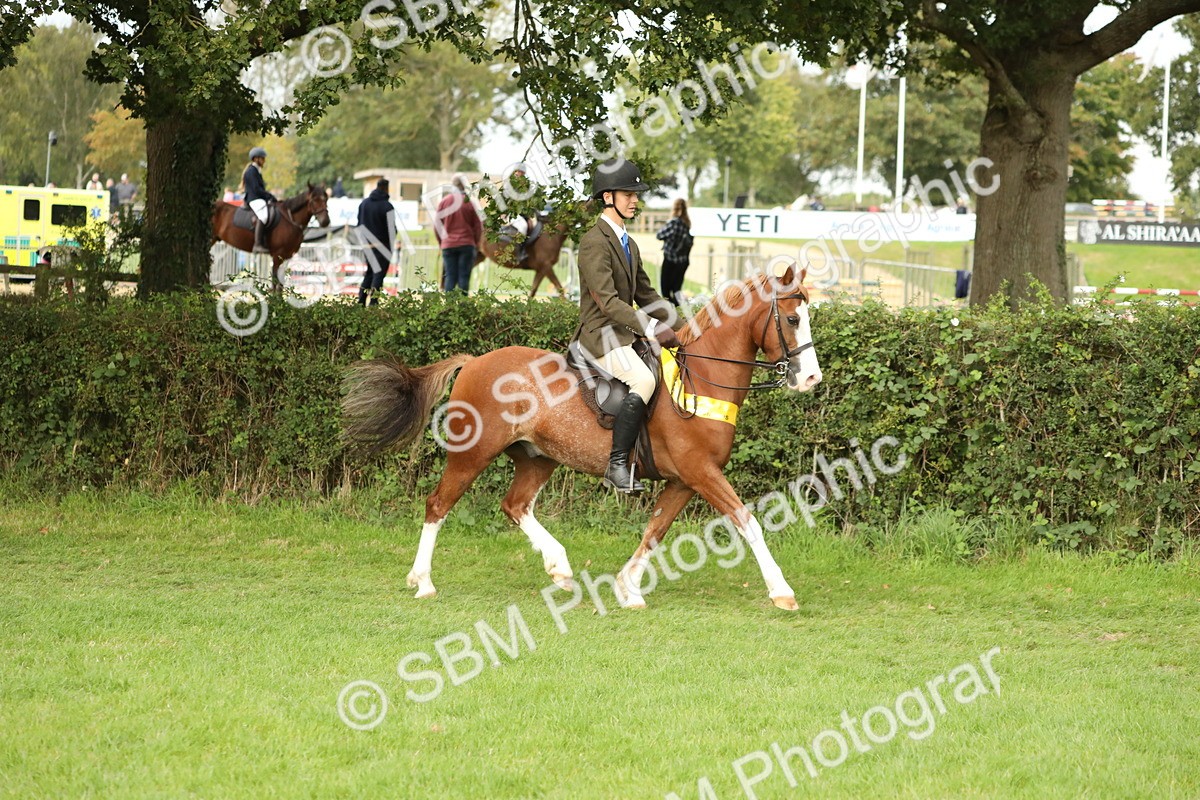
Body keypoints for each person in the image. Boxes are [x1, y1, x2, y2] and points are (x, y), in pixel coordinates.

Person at [575, 159, 684, 494]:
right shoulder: (594, 242)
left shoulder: (629, 243)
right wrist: (652, 328)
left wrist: (686, 327)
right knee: (644, 378)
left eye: (637, 194)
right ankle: (617, 466)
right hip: (600, 335)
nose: (635, 200)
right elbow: (607, 302)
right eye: (628, 194)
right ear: (608, 197)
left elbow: (647, 294)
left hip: (625, 332)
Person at [435, 175, 482, 293]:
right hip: (467, 244)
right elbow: (478, 227)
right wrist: (475, 242)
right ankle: (462, 307)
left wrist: (442, 242)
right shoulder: (470, 202)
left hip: (448, 245)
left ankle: (449, 308)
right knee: (464, 277)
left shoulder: (444, 202)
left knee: (450, 277)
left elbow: (437, 226)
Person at [356, 179, 396, 306]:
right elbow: (392, 229)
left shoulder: (364, 204)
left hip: (367, 245)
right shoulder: (387, 206)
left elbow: (358, 224)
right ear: (386, 188)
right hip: (382, 245)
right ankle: (373, 302)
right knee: (378, 275)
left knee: (369, 273)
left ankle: (361, 301)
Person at [655, 198, 693, 306]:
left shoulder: (674, 222)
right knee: (677, 290)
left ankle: (670, 312)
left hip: (670, 260)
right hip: (682, 261)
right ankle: (679, 312)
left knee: (665, 290)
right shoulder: (686, 223)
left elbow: (659, 235)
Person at [240, 148, 276, 254]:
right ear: (256, 159)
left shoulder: (256, 171)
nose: (264, 161)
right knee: (263, 216)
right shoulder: (251, 171)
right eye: (262, 158)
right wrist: (268, 196)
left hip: (258, 197)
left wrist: (269, 197)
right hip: (253, 198)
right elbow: (256, 189)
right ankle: (257, 244)